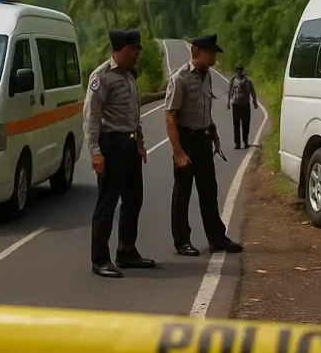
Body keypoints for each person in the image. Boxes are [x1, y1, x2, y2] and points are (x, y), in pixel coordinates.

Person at [84, 29, 156, 278]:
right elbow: (92, 117)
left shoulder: (128, 75)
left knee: (134, 200)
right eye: (136, 49)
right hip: (111, 146)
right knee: (107, 203)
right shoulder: (101, 77)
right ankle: (100, 260)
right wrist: (95, 152)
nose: (138, 54)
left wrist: (140, 143)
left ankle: (127, 251)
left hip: (130, 145)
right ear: (125, 49)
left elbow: (133, 112)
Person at [165, 34, 244, 257]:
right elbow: (170, 116)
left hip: (203, 139)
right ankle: (182, 240)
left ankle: (217, 237)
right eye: (211, 54)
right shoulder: (179, 78)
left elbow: (205, 110)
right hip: (186, 140)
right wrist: (178, 152)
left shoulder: (206, 76)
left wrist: (214, 133)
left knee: (209, 191)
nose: (214, 59)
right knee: (183, 193)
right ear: (196, 52)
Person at [226, 64, 259, 149]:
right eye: (238, 70)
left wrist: (254, 101)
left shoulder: (247, 80)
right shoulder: (233, 80)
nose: (239, 71)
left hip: (245, 104)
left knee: (245, 124)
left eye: (240, 70)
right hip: (236, 104)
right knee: (236, 125)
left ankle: (245, 141)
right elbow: (229, 91)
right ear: (236, 70)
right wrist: (228, 102)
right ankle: (237, 143)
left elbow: (252, 91)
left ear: (242, 70)